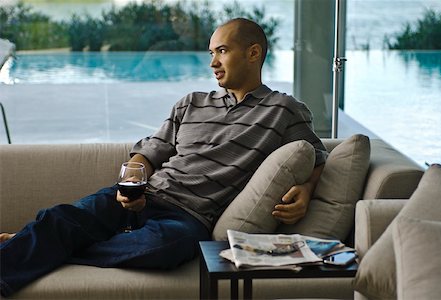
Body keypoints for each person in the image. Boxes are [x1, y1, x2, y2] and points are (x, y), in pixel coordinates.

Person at [0, 18, 327, 297]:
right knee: (59, 218)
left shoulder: (283, 110)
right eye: (211, 53)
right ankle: (28, 257)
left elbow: (315, 155)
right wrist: (133, 182)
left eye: (222, 52)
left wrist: (308, 188)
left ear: (253, 53)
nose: (213, 63)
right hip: (144, 196)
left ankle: (49, 247)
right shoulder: (192, 103)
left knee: (166, 248)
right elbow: (147, 154)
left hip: (187, 217)